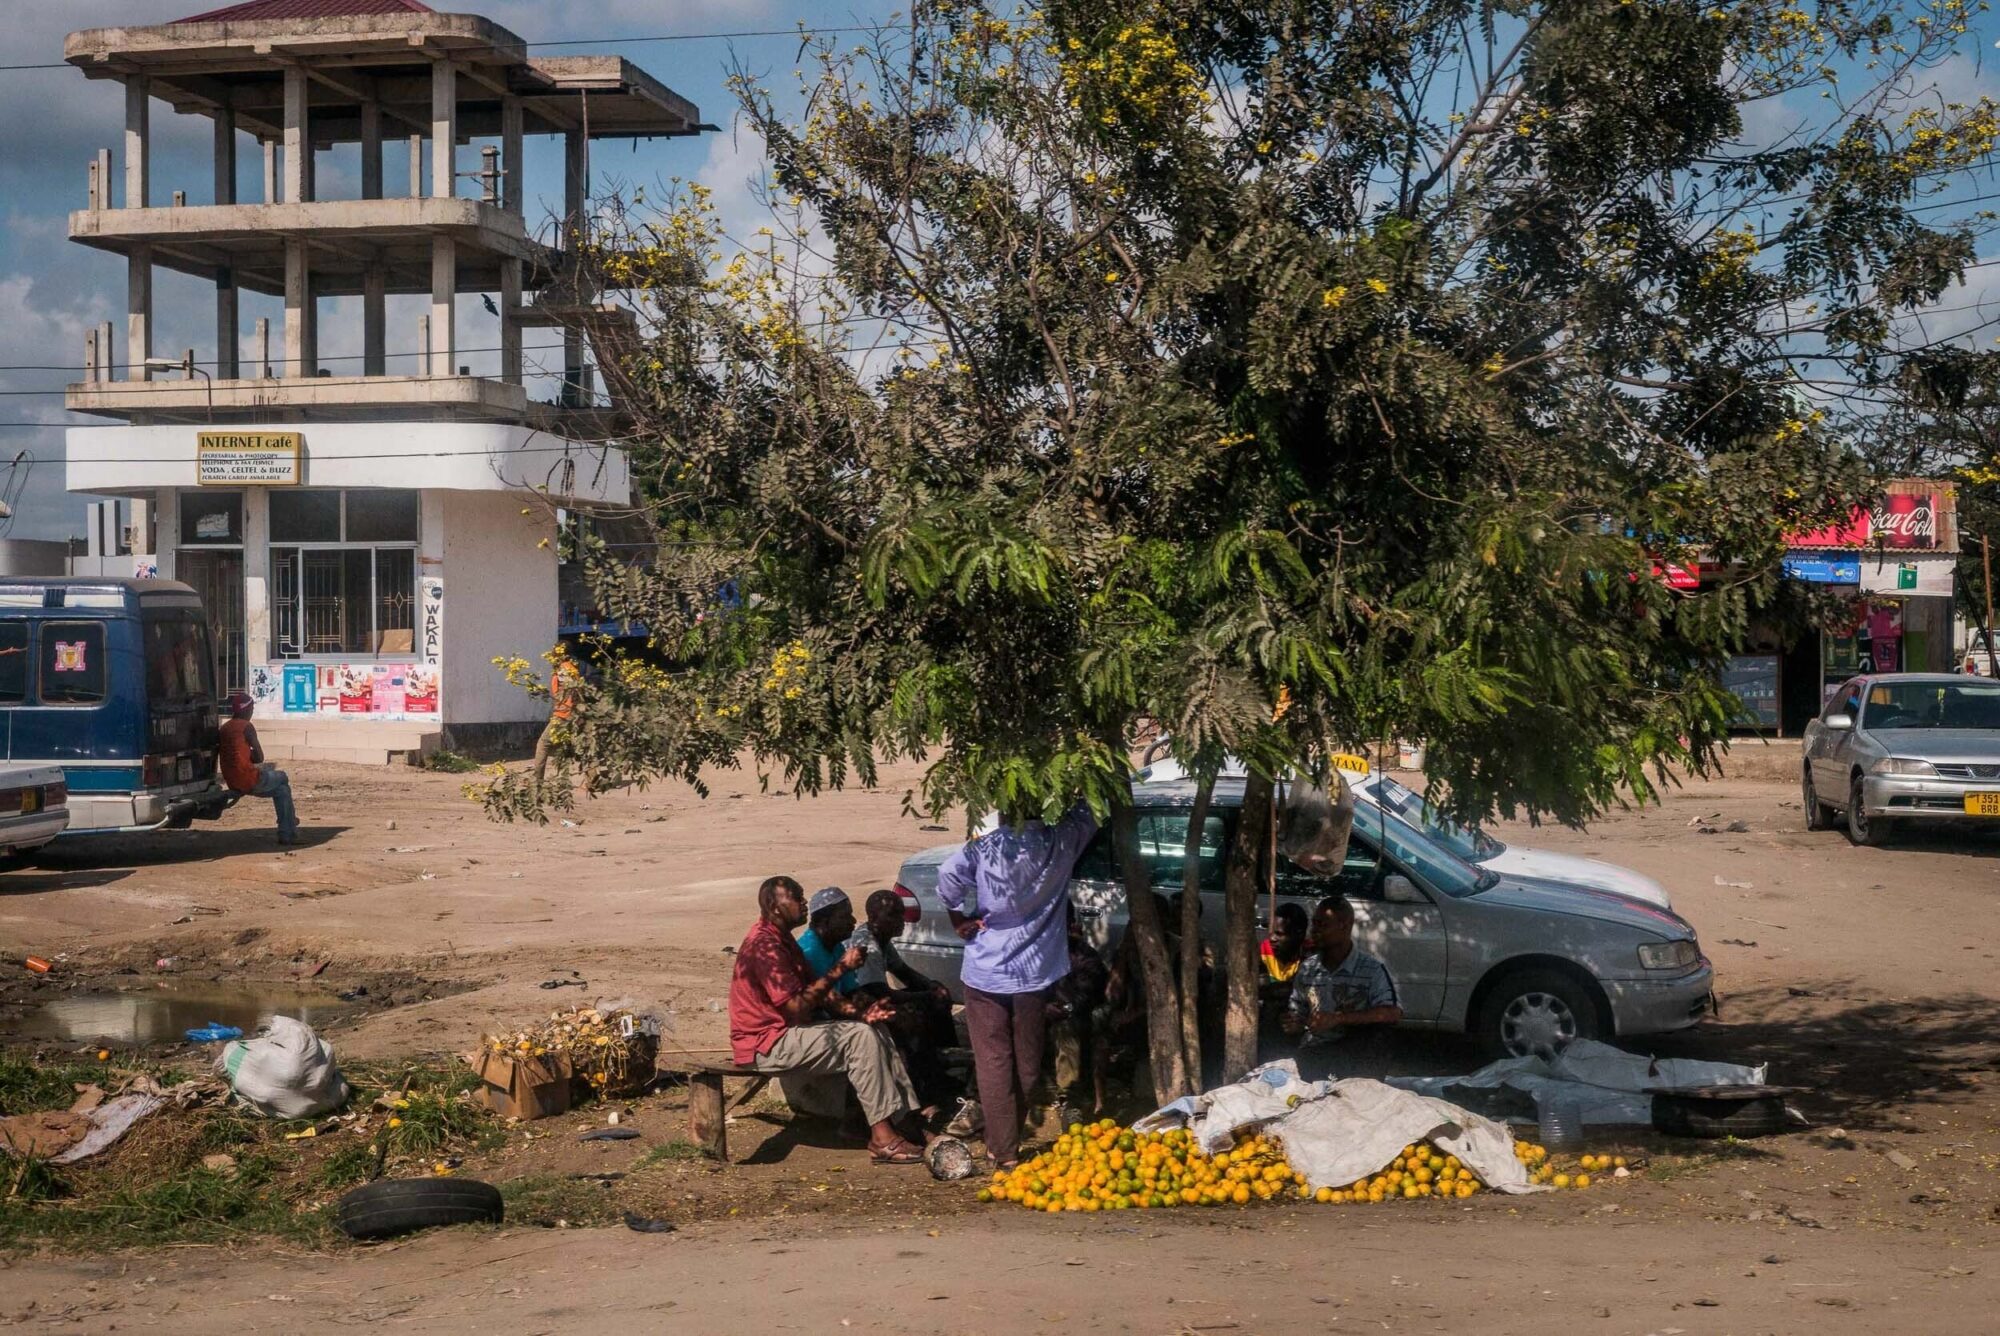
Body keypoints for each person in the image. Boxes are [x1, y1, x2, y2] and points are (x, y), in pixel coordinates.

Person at [935, 801, 1098, 1169]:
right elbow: (1091, 810)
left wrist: (957, 917)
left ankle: (1002, 1150)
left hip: (985, 972)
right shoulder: (1061, 841)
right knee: (1026, 1064)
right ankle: (1003, 1144)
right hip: (1033, 976)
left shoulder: (984, 846)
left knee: (994, 1062)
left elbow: (948, 876)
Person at [728, 875, 925, 1164]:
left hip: (785, 1033)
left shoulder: (783, 940)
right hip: (765, 1042)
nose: (804, 903)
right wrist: (840, 969)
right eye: (796, 897)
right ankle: (882, 1137)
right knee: (858, 1038)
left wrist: (861, 1014)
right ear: (774, 906)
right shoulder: (765, 947)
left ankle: (906, 1120)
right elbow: (796, 1007)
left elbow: (821, 991)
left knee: (874, 1029)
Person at [845, 889, 961, 1108]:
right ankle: (929, 1087)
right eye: (893, 915)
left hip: (874, 999)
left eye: (901, 914)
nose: (901, 921)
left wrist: (932, 986)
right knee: (913, 1019)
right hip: (859, 1004)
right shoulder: (867, 945)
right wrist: (928, 995)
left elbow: (904, 972)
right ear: (873, 918)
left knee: (935, 997)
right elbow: (881, 993)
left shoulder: (883, 940)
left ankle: (946, 1065)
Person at [1280, 895, 1402, 1080]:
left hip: (1355, 1050)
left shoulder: (1372, 969)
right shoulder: (1308, 968)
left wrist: (1339, 1019)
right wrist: (1294, 1023)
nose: (1314, 931)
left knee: (1382, 1035)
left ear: (1344, 926)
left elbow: (1392, 1013)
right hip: (1317, 1049)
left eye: (1322, 925)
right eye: (1314, 924)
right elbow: (1297, 1011)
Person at [218, 692, 299, 845]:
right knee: (282, 777)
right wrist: (250, 754)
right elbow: (260, 757)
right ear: (246, 709)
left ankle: (287, 831)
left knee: (283, 791)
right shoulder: (247, 727)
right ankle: (289, 825)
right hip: (249, 778)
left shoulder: (225, 728)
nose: (252, 711)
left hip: (231, 780)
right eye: (252, 708)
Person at [796, 887, 864, 997]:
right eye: (845, 917)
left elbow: (851, 990)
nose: (853, 921)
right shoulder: (809, 952)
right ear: (824, 922)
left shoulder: (836, 945)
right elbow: (827, 1001)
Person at [1258, 902, 1309, 1041]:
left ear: (1299, 935)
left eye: (1279, 934)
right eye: (1271, 932)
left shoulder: (1312, 956)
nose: (1272, 938)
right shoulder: (1262, 953)